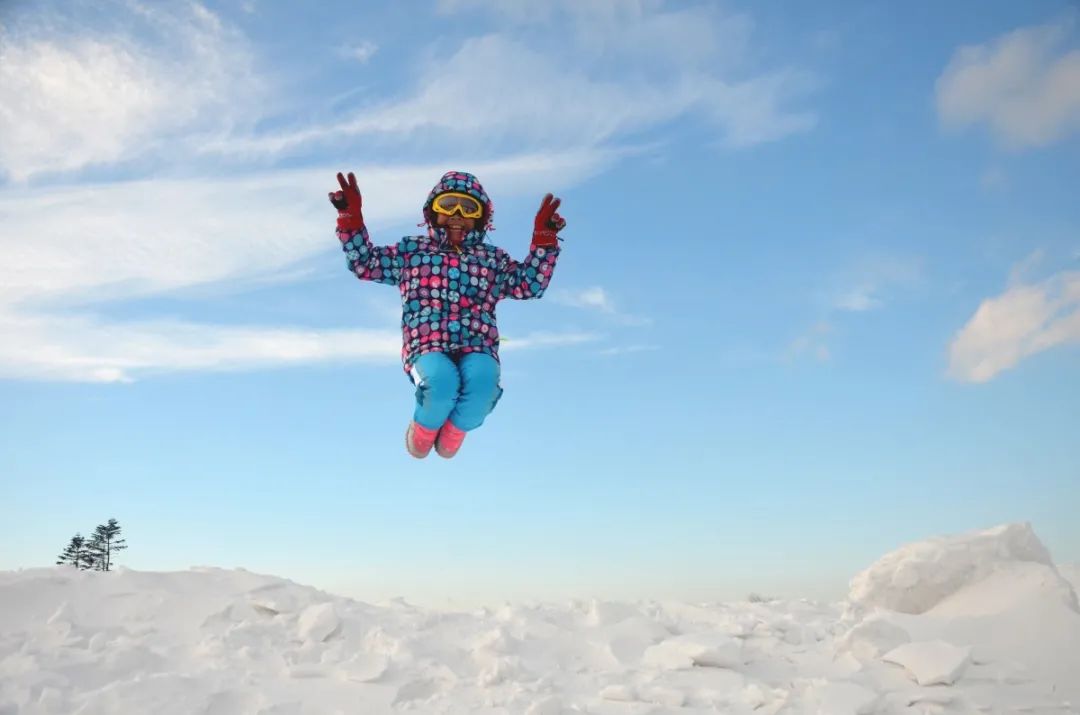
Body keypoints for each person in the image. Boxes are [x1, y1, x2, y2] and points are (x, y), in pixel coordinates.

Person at [330, 170, 566, 458]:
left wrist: (544, 241)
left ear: (480, 218)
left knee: (483, 383)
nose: (457, 214)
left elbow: (529, 284)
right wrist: (350, 220)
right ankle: (423, 432)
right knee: (441, 383)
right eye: (448, 205)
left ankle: (453, 432)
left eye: (468, 208)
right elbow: (364, 263)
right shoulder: (412, 252)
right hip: (427, 343)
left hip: (477, 343)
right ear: (432, 211)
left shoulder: (491, 260)